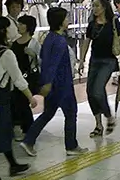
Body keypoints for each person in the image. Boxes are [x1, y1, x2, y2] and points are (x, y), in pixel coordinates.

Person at [20, 8, 88, 157]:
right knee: (71, 113)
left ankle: (29, 140)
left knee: (48, 113)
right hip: (62, 84)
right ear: (60, 21)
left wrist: (46, 81)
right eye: (66, 18)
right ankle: (71, 145)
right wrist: (49, 82)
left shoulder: (49, 38)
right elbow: (53, 64)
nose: (68, 20)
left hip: (54, 84)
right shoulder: (60, 42)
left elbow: (44, 61)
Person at [0, 17, 38, 180]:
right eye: (7, 28)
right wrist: (30, 97)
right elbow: (18, 79)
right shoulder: (7, 53)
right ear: (2, 32)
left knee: (4, 132)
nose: (11, 30)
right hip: (1, 99)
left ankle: (13, 165)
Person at [79, 0, 120, 137]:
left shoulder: (114, 22)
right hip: (94, 60)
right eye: (93, 6)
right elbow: (86, 42)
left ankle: (109, 117)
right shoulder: (92, 24)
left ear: (104, 7)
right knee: (90, 92)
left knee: (98, 90)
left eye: (97, 6)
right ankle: (98, 125)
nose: (94, 9)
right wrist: (81, 60)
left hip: (109, 61)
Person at [11, 15, 41, 141]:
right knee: (17, 102)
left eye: (22, 24)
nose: (19, 26)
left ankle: (28, 129)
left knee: (23, 102)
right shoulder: (14, 42)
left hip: (29, 77)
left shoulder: (34, 43)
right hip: (16, 77)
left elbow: (41, 60)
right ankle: (25, 128)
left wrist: (34, 55)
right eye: (19, 24)